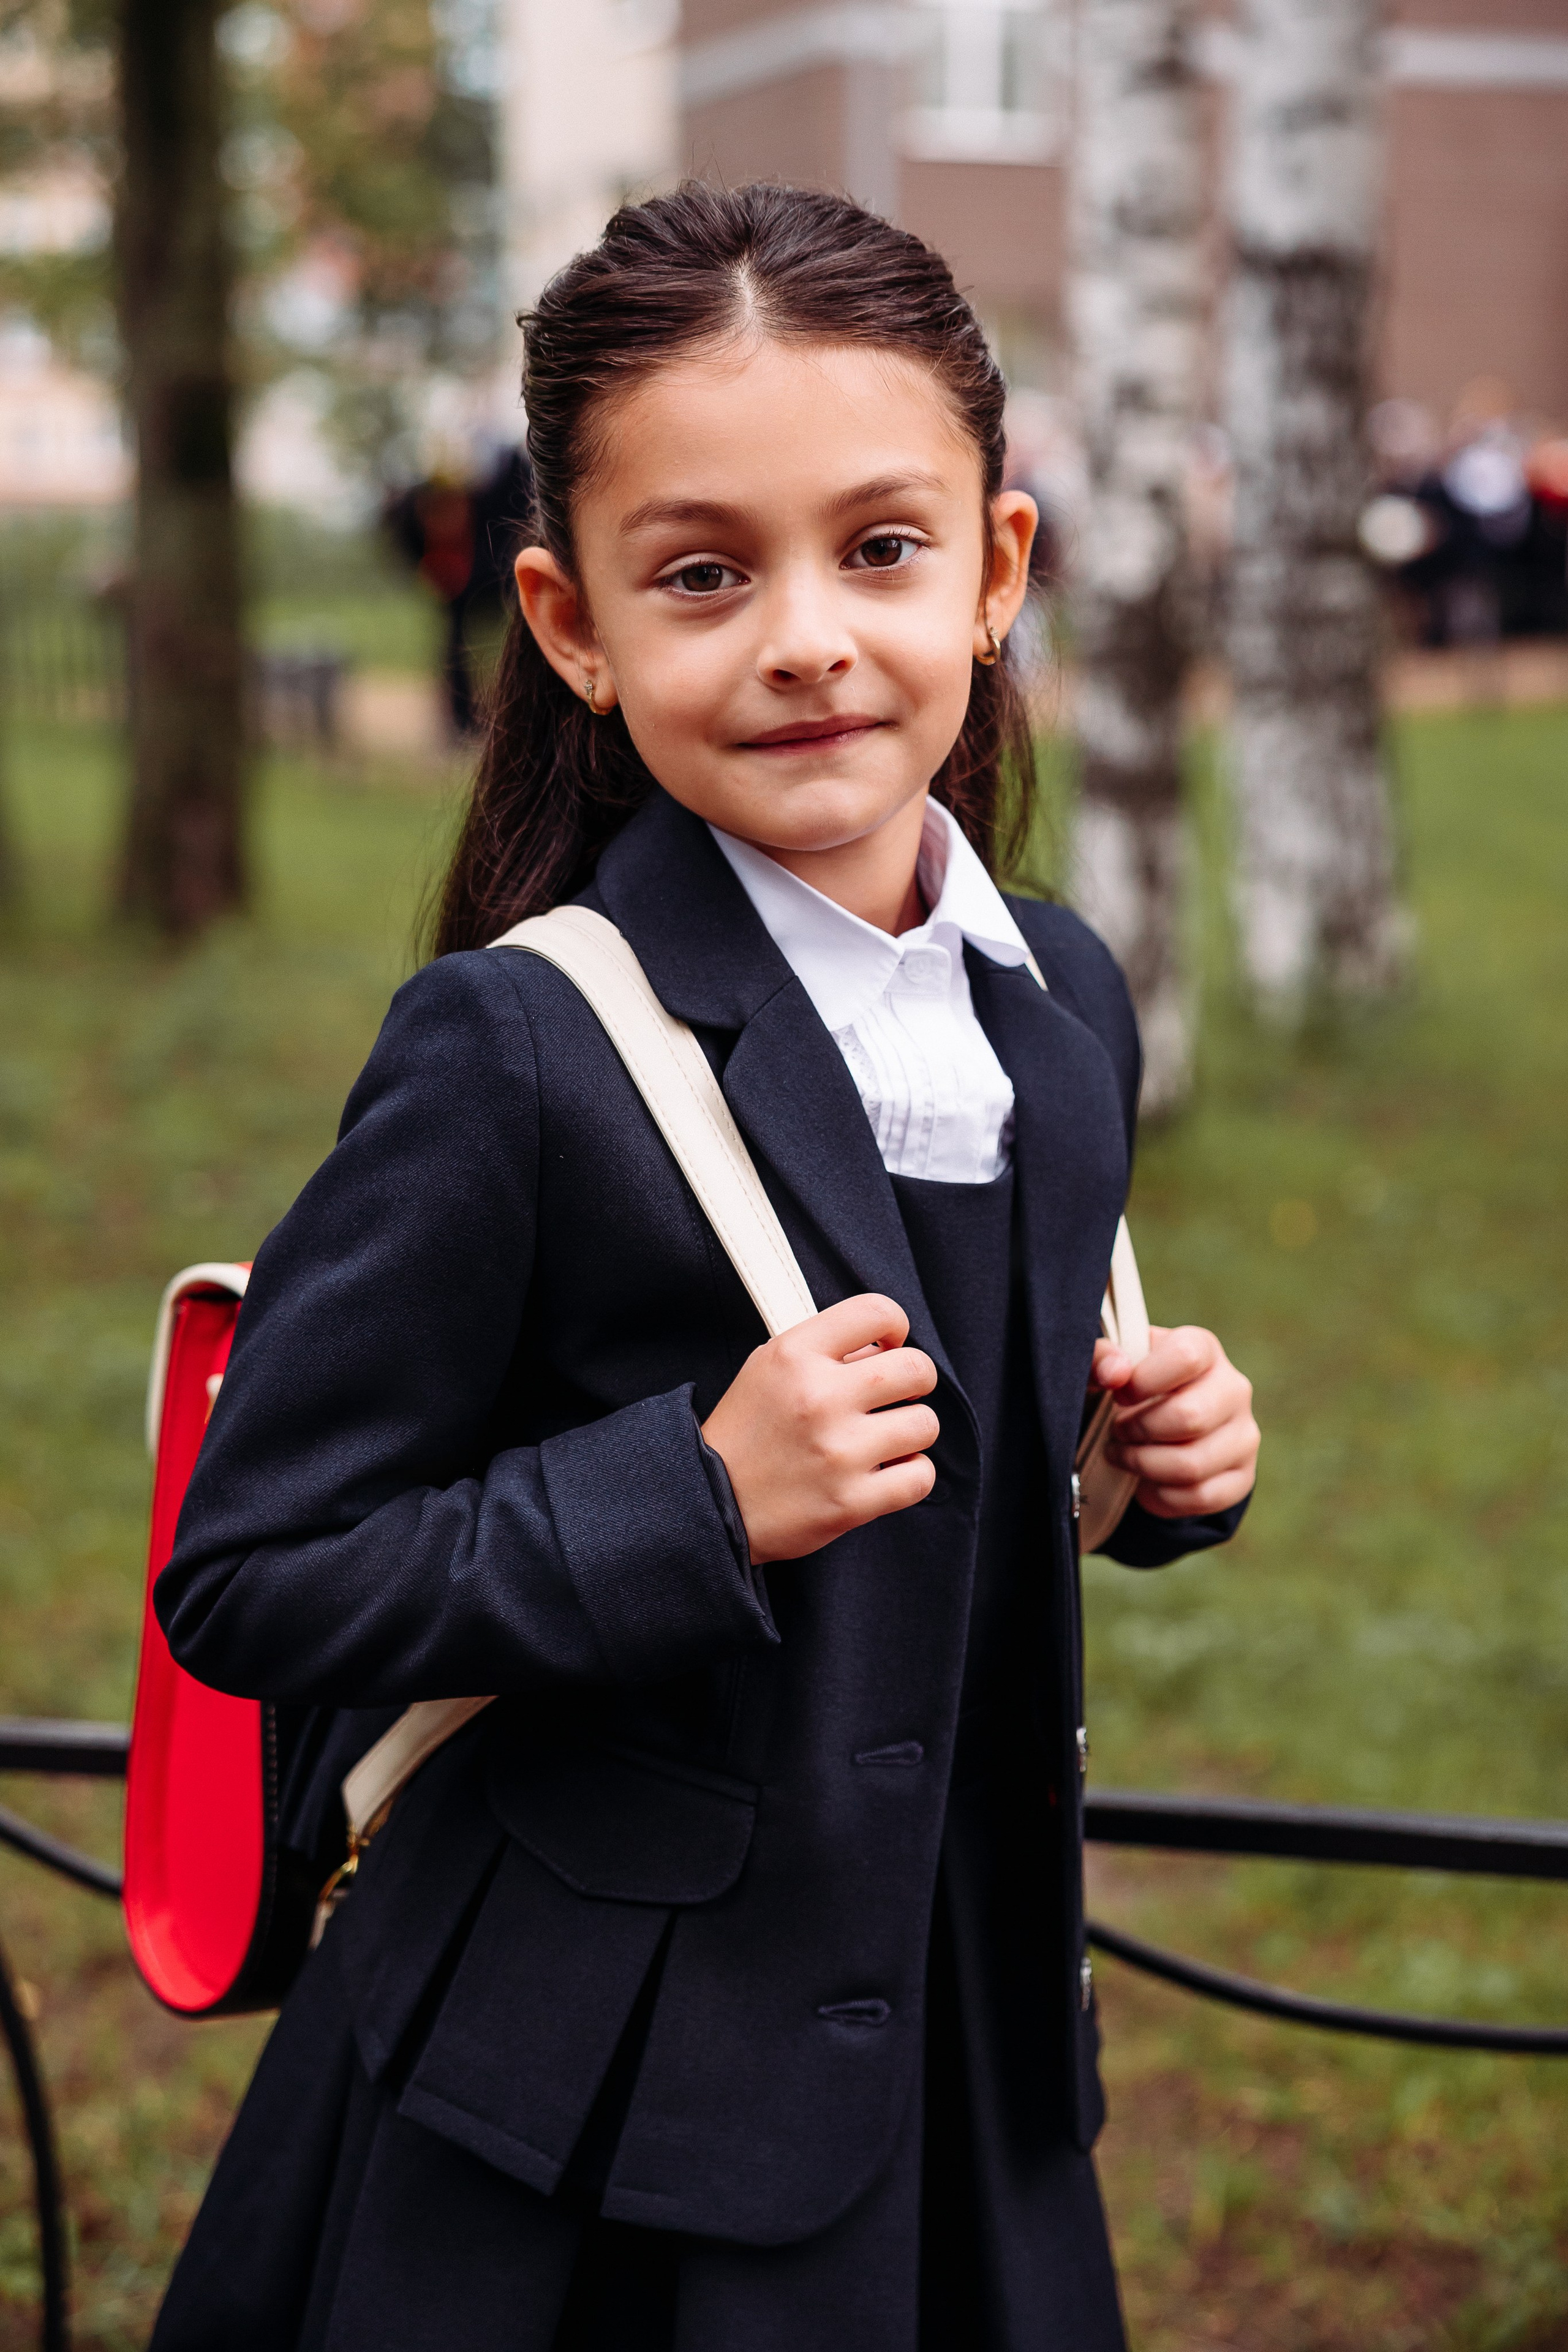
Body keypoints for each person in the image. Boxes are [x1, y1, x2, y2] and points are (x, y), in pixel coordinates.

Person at [149, 183, 1259, 2352]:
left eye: (881, 549)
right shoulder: (518, 1043)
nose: (808, 638)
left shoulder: (1064, 998)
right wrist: (688, 1493)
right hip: (583, 2125)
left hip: (966, 2052)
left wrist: (1147, 1480)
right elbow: (252, 1573)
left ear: (998, 570)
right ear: (572, 626)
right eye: (702, 575)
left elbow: (963, 1486)